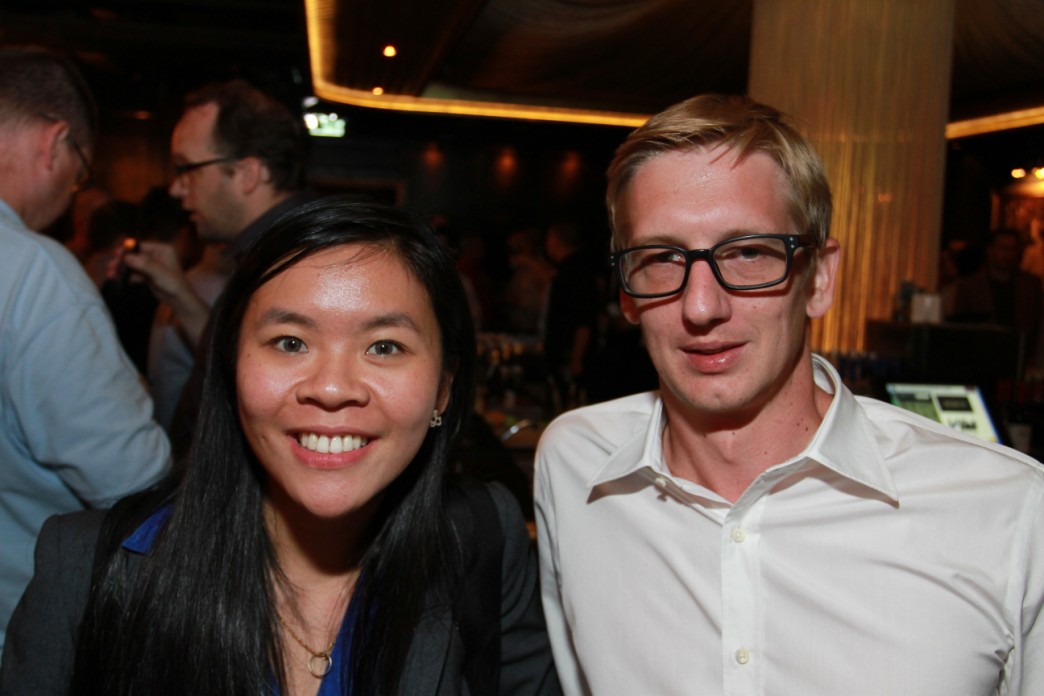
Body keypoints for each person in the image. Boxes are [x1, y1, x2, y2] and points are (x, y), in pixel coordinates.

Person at [534, 94, 1044, 695]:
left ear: (819, 277)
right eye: (662, 258)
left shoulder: (1008, 511)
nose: (702, 306)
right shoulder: (576, 466)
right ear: (626, 292)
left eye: (748, 252)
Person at [0, 197, 560, 696]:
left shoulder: (482, 541)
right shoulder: (85, 569)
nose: (332, 388)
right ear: (231, 366)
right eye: (290, 342)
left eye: (385, 346)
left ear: (443, 385)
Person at [0, 47, 170, 652]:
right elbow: (132, 480)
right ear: (55, 141)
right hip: (18, 625)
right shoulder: (33, 271)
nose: (72, 195)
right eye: (80, 174)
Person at [122, 79, 314, 438]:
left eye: (187, 169)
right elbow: (235, 362)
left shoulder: (299, 263)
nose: (176, 188)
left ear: (247, 174)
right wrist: (178, 293)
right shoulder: (268, 252)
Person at [943, 227, 1042, 360]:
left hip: (1022, 357)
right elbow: (960, 327)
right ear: (990, 250)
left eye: (1013, 249)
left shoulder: (1031, 285)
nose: (1008, 254)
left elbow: (1037, 325)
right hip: (981, 357)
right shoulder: (970, 286)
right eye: (1003, 248)